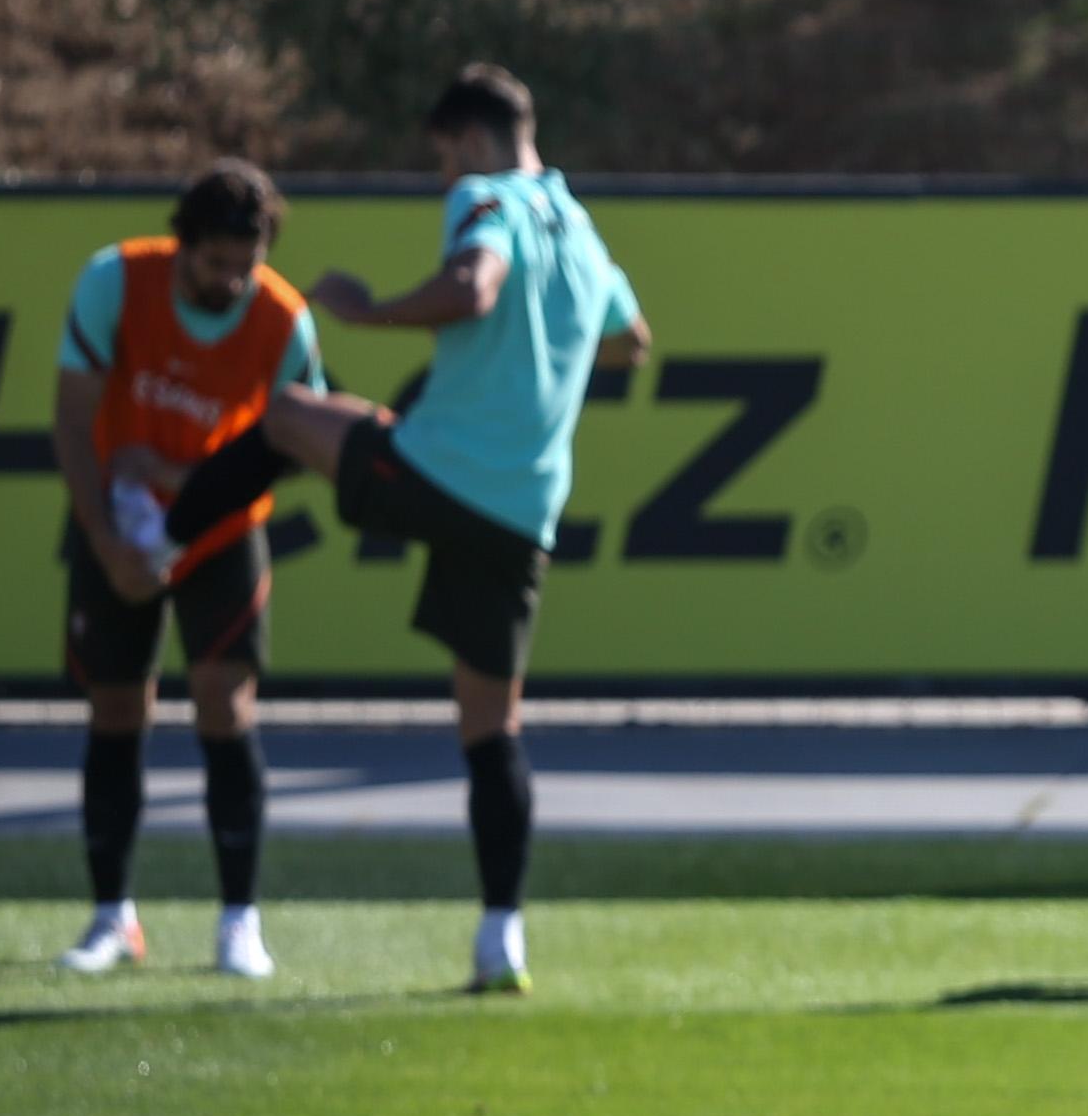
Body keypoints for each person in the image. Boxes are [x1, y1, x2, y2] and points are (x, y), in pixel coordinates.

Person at [143, 64, 643, 996]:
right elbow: (631, 339)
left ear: (474, 141)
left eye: (445, 155)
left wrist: (371, 310)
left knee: (289, 415)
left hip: (442, 472)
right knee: (491, 728)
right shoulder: (581, 228)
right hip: (525, 510)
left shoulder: (486, 199)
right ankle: (501, 939)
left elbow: (475, 285)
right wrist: (552, 358)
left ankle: (160, 535)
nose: (445, 174)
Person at [49, 161, 328, 980]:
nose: (232, 280)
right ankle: (112, 915)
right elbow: (72, 420)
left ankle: (240, 919)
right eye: (215, 263)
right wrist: (107, 540)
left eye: (247, 263)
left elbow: (302, 440)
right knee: (116, 704)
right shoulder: (115, 281)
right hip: (118, 519)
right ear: (183, 246)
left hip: (220, 529)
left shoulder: (282, 318)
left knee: (223, 701)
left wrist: (183, 481)